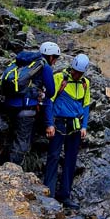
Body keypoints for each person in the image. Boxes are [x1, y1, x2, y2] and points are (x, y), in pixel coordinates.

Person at [44, 53, 91, 209]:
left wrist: (84, 126)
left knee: (71, 160)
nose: (77, 75)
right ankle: (48, 193)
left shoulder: (85, 83)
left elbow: (86, 105)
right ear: (72, 68)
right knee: (53, 157)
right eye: (75, 72)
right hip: (59, 123)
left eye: (80, 73)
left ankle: (65, 195)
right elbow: (49, 101)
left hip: (75, 126)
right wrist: (49, 123)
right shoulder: (60, 78)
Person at [3, 41, 60, 167]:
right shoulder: (44, 66)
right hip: (26, 109)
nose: (55, 61)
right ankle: (11, 173)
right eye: (55, 58)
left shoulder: (23, 61)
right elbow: (51, 92)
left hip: (10, 104)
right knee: (22, 143)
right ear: (50, 56)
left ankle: (5, 165)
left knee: (13, 138)